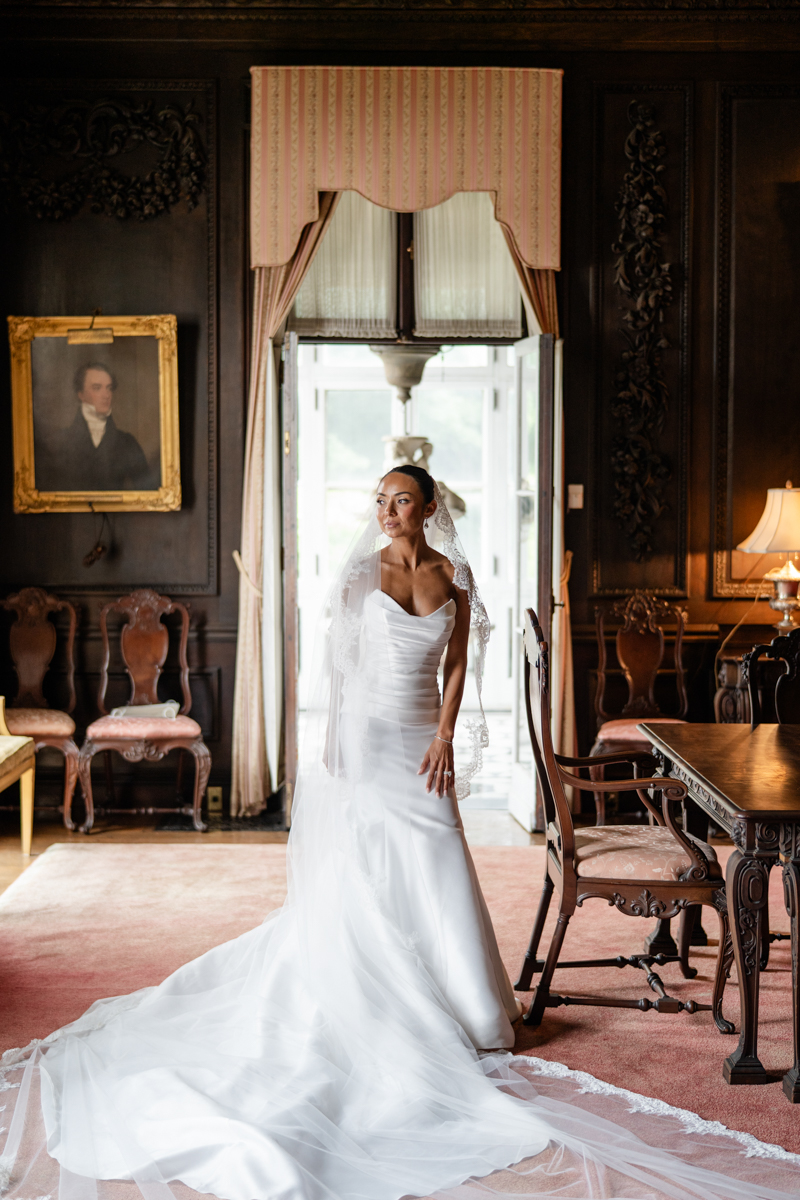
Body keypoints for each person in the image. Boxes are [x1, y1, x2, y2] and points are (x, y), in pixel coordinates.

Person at [0, 465, 797, 1200]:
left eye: (400, 499)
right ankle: (383, 991)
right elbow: (339, 665)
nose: (385, 510)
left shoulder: (451, 575)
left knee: (438, 852)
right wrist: (333, 745)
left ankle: (467, 1004)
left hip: (423, 739)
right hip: (370, 737)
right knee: (370, 868)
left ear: (429, 509)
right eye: (378, 499)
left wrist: (449, 733)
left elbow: (456, 665)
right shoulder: (359, 574)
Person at [35, 362, 155, 492]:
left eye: (109, 388)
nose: (106, 395)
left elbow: (147, 492)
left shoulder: (127, 443)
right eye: (97, 388)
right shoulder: (59, 441)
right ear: (80, 394)